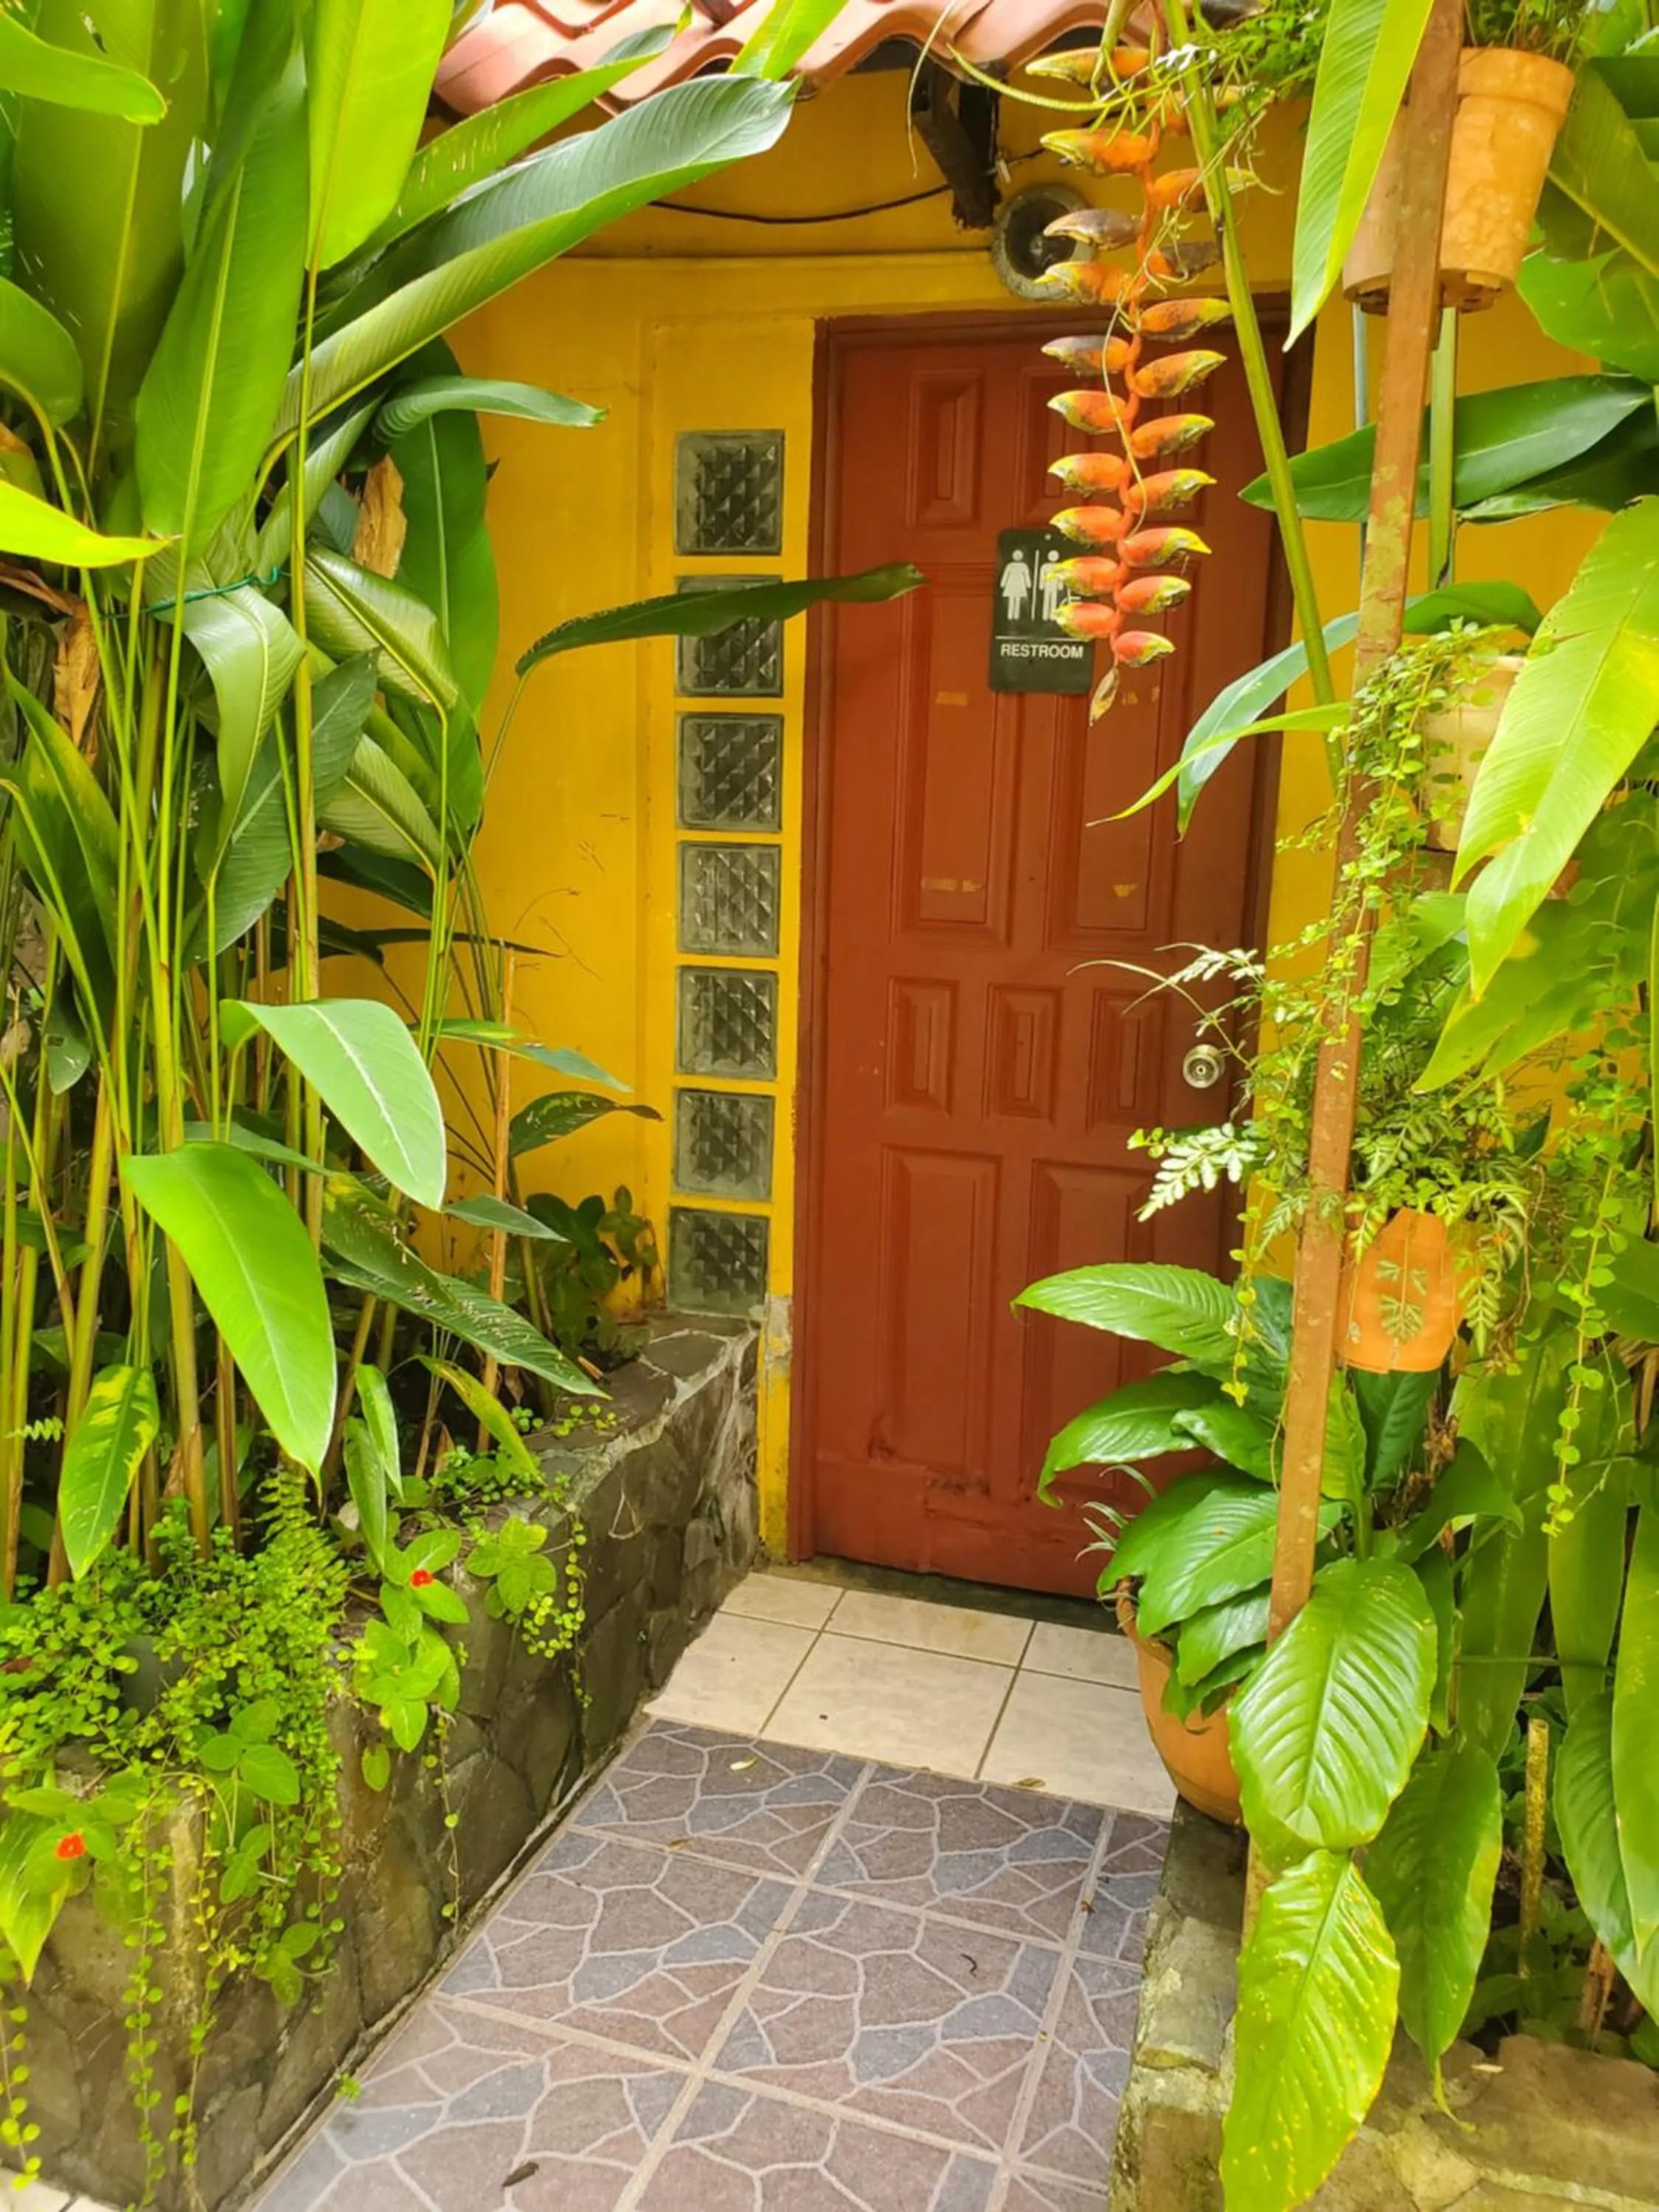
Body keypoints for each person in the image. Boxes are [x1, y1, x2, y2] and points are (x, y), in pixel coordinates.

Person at [999, 543, 1033, 623]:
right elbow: (1006, 575)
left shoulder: (1024, 566)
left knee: (1017, 601)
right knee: (1011, 600)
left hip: (1020, 585)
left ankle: (1016, 616)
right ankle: (1010, 616)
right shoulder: (1010, 566)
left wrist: (1028, 584)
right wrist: (1003, 584)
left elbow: (1026, 576)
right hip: (1011, 585)